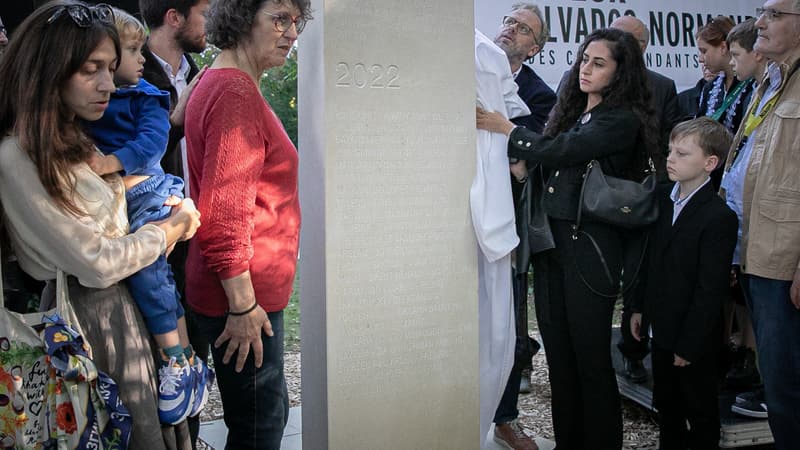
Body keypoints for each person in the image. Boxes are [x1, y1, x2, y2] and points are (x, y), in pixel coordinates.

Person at [0, 1, 200, 448]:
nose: (108, 84)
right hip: (83, 324)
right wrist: (169, 229)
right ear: (50, 68)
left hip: (126, 313)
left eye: (112, 67)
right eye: (92, 69)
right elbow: (96, 263)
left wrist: (160, 205)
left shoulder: (72, 139)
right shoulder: (17, 156)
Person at [477, 28, 659, 449]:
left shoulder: (621, 118)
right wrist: (526, 170)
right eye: (584, 60)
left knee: (590, 360)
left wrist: (507, 128)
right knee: (560, 361)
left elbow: (562, 152)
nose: (586, 69)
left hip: (590, 251)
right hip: (553, 248)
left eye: (599, 63)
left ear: (621, 72)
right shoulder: (576, 112)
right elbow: (557, 166)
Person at [183, 0, 311, 447]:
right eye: (279, 19)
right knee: (259, 428)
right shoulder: (235, 92)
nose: (292, 32)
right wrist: (241, 307)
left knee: (260, 419)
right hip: (240, 301)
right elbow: (223, 215)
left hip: (243, 294)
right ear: (240, 19)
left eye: (296, 21)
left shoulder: (230, 84)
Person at [85, 7, 212, 426]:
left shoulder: (148, 97)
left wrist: (108, 164)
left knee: (148, 273)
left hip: (151, 194)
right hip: (121, 200)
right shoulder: (88, 107)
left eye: (140, 50)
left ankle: (175, 356)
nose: (140, 59)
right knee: (159, 280)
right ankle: (188, 357)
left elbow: (151, 146)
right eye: (132, 50)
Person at [720, 2, 800, 448]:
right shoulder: (770, 77)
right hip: (754, 247)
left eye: (774, 14)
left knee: (788, 383)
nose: (761, 23)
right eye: (761, 11)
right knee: (778, 379)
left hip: (784, 259)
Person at [631, 117, 738, 449]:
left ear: (709, 163)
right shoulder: (663, 199)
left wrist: (689, 342)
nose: (670, 159)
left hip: (694, 337)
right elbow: (647, 259)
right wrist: (637, 308)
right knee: (667, 406)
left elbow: (710, 288)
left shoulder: (719, 217)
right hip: (660, 326)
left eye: (682, 153)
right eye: (670, 151)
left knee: (700, 410)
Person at [138, 0, 209, 443]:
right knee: (161, 363)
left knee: (194, 359)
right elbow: (130, 163)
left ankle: (193, 433)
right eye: (205, 12)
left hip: (200, 236)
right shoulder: (127, 72)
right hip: (156, 241)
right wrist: (176, 122)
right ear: (174, 17)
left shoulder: (207, 73)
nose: (213, 23)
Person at [601, 14, 682, 385]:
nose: (618, 43)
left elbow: (669, 140)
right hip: (599, 198)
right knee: (599, 276)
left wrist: (654, 185)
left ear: (644, 47)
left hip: (643, 198)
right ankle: (595, 351)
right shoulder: (597, 79)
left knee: (637, 279)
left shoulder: (662, 87)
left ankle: (634, 355)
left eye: (627, 39)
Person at [490, 4, 555, 450]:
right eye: (509, 21)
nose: (511, 29)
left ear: (534, 47)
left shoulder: (541, 96)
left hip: (507, 223)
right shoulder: (464, 71)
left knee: (508, 322)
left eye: (523, 28)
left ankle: (505, 417)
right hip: (449, 214)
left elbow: (530, 155)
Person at [721, 17, 768, 417]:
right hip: (740, 216)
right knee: (744, 298)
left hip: (764, 224)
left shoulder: (776, 91)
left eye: (736, 55)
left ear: (758, 53)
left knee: (763, 309)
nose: (731, 63)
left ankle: (766, 380)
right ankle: (752, 364)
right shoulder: (756, 90)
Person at [695, 16, 755, 189]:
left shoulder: (753, 86)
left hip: (740, 173)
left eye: (704, 51)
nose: (700, 58)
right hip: (710, 175)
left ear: (723, 48)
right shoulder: (710, 87)